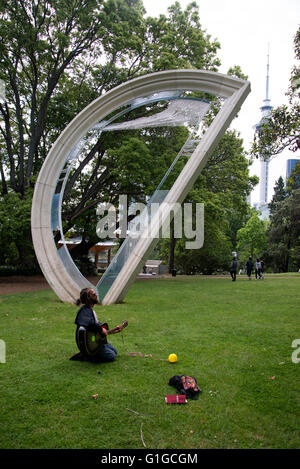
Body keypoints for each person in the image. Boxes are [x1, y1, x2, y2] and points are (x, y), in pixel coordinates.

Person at [71, 287, 123, 363]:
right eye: (94, 294)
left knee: (114, 351)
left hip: (93, 339)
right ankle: (88, 356)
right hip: (90, 341)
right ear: (89, 298)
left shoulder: (90, 310)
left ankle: (93, 352)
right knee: (112, 356)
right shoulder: (84, 311)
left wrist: (113, 331)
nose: (96, 295)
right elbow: (89, 323)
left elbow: (95, 328)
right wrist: (101, 329)